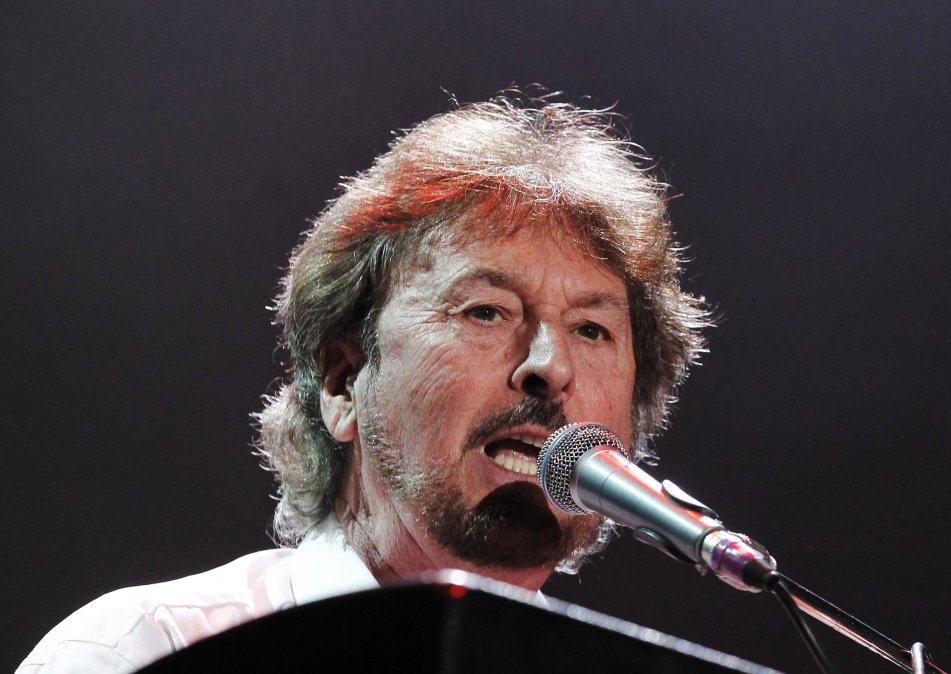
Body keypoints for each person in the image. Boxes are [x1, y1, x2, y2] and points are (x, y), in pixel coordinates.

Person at [18, 93, 709, 672]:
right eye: (486, 310)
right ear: (344, 383)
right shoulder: (141, 653)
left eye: (592, 330)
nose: (549, 366)